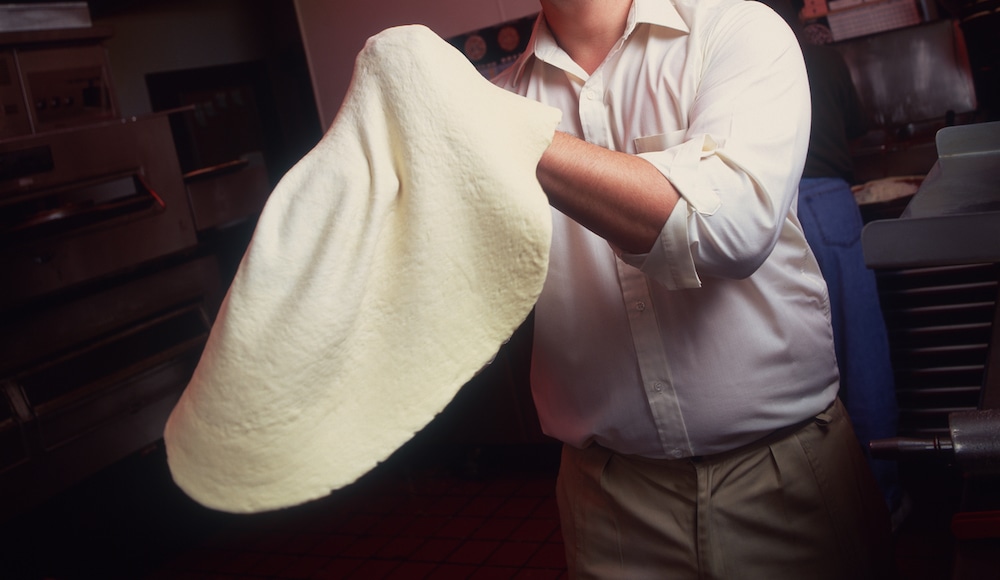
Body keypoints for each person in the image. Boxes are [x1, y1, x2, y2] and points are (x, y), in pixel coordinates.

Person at [492, 0, 894, 577]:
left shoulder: (737, 28)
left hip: (784, 473)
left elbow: (726, 226)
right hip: (607, 499)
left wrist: (509, 135)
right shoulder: (498, 101)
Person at [762, 0, 904, 518]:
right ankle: (882, 503)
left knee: (795, 362)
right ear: (802, 9)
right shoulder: (819, 58)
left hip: (768, 210)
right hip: (825, 199)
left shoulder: (734, 53)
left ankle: (819, 514)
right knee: (860, 356)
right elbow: (858, 124)